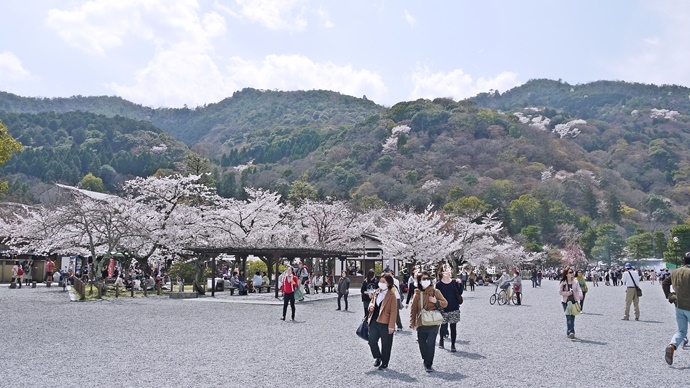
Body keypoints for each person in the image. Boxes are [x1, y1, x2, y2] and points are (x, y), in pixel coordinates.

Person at [410, 270, 448, 373]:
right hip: (421, 322)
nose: (426, 281)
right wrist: (412, 322)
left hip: (433, 321)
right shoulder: (417, 294)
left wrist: (436, 301)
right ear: (419, 281)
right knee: (422, 343)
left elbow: (445, 303)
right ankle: (425, 359)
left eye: (428, 279)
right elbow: (413, 309)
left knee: (431, 343)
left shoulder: (436, 292)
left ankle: (428, 363)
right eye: (423, 279)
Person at [662, 252, 690, 365]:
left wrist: (669, 295)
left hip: (679, 306)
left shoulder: (676, 272)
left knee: (681, 331)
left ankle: (672, 346)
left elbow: (665, 283)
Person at [367, 273, 398, 370]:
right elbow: (372, 302)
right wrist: (370, 306)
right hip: (374, 320)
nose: (381, 283)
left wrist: (391, 326)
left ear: (388, 283)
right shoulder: (376, 292)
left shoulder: (392, 295)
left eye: (383, 282)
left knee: (386, 344)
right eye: (380, 281)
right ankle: (377, 356)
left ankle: (385, 362)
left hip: (385, 322)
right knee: (371, 340)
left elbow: (394, 311)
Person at [435, 267, 462, 352]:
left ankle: (453, 344)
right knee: (443, 326)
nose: (448, 271)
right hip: (443, 308)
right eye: (446, 270)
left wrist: (460, 284)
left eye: (449, 270)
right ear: (442, 272)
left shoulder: (454, 282)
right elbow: (437, 296)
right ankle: (441, 340)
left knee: (453, 327)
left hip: (454, 307)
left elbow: (460, 292)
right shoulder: (439, 284)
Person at [559, 266, 583, 339]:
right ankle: (571, 332)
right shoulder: (563, 282)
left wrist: (580, 295)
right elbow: (560, 292)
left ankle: (570, 331)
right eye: (570, 272)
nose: (572, 274)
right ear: (566, 274)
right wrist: (567, 293)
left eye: (572, 272)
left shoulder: (575, 281)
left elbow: (579, 289)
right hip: (565, 301)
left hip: (573, 301)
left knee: (572, 317)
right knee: (569, 316)